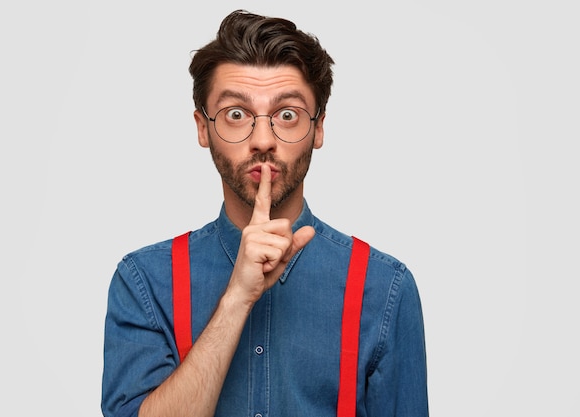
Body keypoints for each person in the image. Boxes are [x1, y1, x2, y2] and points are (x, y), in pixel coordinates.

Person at [102, 9, 428, 417]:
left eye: (286, 115)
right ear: (203, 128)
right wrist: (237, 298)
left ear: (319, 127)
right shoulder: (144, 282)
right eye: (236, 114)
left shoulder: (385, 288)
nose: (262, 140)